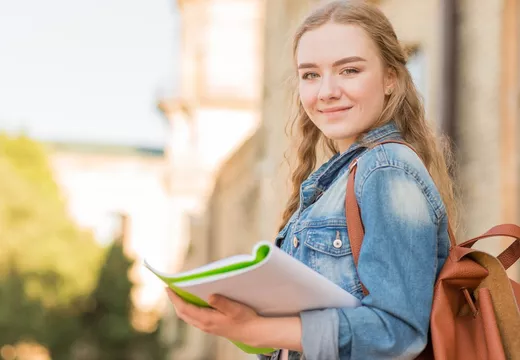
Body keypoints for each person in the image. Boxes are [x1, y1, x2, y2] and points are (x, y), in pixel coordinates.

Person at [166, 0, 457, 359]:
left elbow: (396, 333)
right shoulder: (336, 182)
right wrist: (248, 323)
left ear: (390, 78)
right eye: (311, 75)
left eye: (349, 70)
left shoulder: (386, 169)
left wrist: (256, 328)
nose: (327, 91)